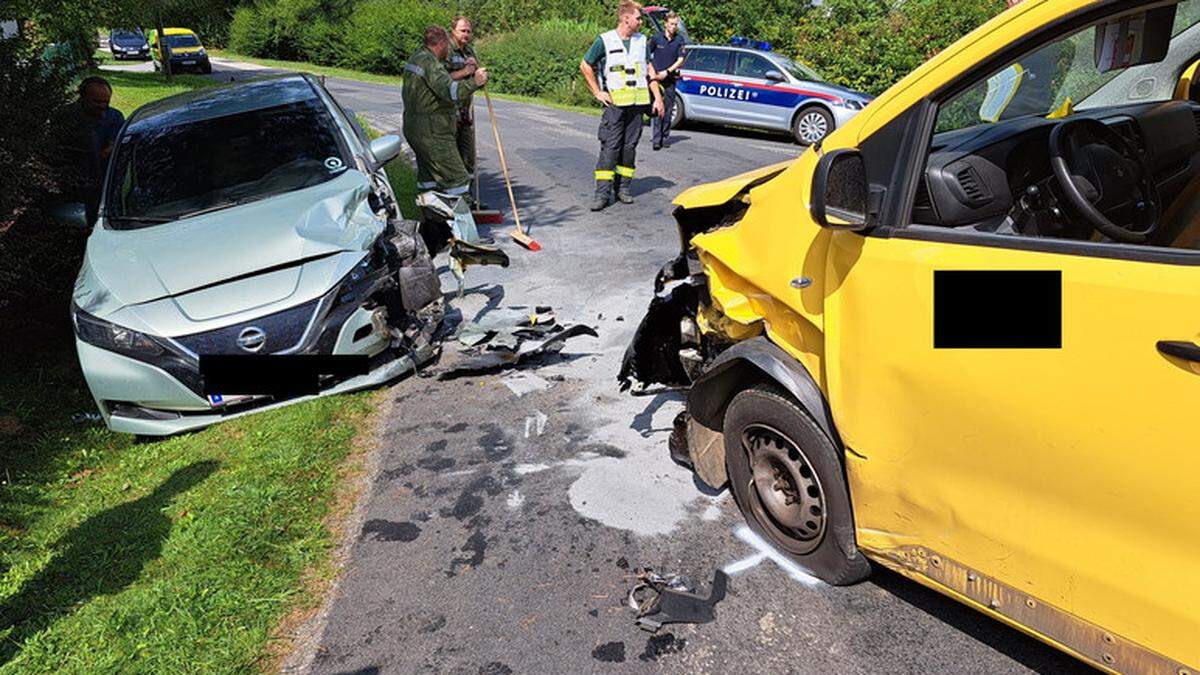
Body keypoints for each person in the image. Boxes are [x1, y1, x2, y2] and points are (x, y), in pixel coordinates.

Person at [580, 0, 665, 211]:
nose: (640, 22)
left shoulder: (642, 41)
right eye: (638, 18)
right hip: (615, 105)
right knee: (610, 148)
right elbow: (585, 65)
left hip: (638, 105)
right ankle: (602, 193)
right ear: (626, 18)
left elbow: (649, 72)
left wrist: (658, 98)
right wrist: (597, 92)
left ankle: (623, 189)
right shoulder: (605, 40)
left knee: (629, 149)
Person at [402, 26, 488, 198]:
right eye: (446, 44)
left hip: (416, 128)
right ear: (441, 43)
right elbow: (451, 91)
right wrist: (475, 82)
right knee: (458, 180)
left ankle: (433, 221)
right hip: (433, 131)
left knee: (429, 179)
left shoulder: (417, 57)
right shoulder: (430, 63)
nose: (448, 49)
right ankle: (460, 221)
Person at [56, 76, 125, 223]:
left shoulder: (114, 117)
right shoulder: (66, 118)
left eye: (106, 102)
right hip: (76, 185)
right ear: (83, 98)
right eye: (96, 102)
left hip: (107, 183)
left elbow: (115, 148)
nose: (102, 106)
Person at [445, 15, 483, 204]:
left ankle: (468, 200)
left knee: (468, 157)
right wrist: (465, 72)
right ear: (453, 30)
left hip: (465, 112)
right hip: (447, 114)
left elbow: (475, 78)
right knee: (451, 160)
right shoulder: (445, 50)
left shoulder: (469, 51)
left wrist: (479, 75)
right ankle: (452, 202)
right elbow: (438, 80)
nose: (466, 34)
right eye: (462, 30)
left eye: (469, 31)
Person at [649, 11, 685, 151]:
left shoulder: (679, 40)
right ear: (665, 24)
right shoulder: (657, 38)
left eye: (675, 24)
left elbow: (680, 60)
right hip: (656, 79)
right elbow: (647, 54)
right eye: (671, 24)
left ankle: (665, 138)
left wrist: (667, 72)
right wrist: (653, 72)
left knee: (668, 109)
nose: (673, 27)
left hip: (669, 79)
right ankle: (656, 140)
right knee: (658, 108)